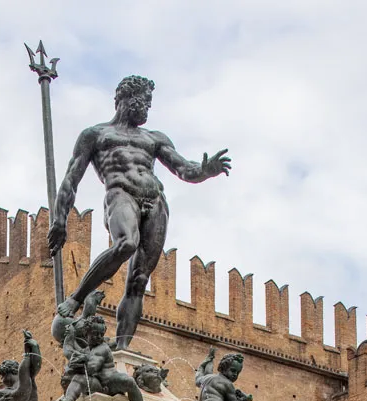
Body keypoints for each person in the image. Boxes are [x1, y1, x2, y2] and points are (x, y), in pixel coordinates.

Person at [48, 75, 230, 348]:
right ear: (123, 100)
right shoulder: (96, 135)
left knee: (139, 279)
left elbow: (184, 169)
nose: (146, 107)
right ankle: (76, 298)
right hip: (120, 194)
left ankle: (122, 351)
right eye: (142, 101)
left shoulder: (154, 139)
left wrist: (205, 171)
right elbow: (70, 180)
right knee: (126, 244)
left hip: (155, 202)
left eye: (149, 102)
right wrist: (59, 220)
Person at [58, 314, 153, 401]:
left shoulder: (102, 348)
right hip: (99, 386)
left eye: (101, 334)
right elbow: (69, 352)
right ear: (86, 334)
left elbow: (92, 367)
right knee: (79, 378)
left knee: (129, 381)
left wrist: (75, 365)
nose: (99, 337)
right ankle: (69, 400)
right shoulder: (86, 350)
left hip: (111, 381)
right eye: (95, 334)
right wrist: (69, 337)